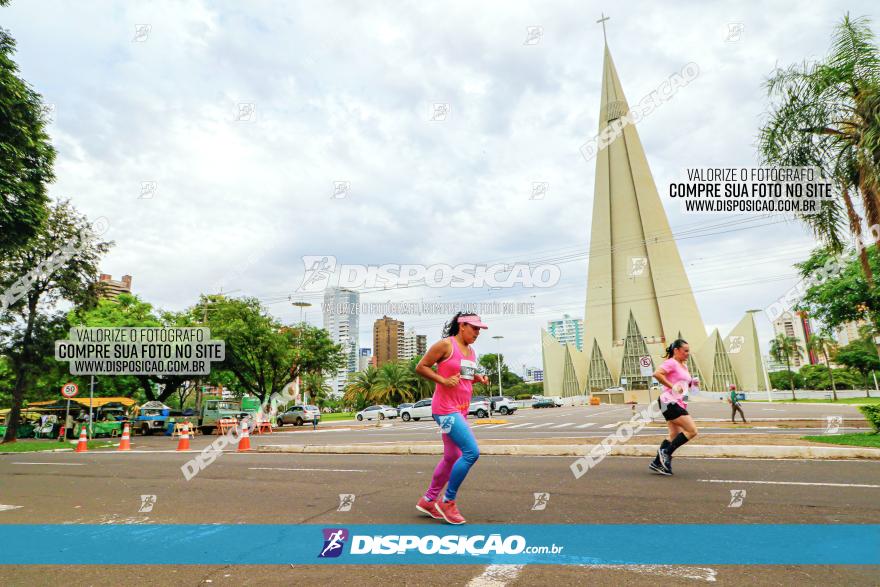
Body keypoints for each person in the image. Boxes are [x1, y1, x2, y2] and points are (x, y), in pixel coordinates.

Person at [414, 312, 490, 524]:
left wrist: (478, 378)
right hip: (445, 410)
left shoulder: (471, 352)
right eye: (474, 328)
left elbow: (464, 378)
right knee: (471, 452)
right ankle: (448, 501)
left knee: (451, 457)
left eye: (479, 329)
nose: (477, 333)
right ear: (462, 325)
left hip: (461, 409)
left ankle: (429, 499)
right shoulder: (445, 345)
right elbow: (421, 367)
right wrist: (443, 380)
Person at [649, 339, 699, 475]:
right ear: (676, 350)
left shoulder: (684, 365)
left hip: (676, 403)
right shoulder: (671, 362)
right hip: (668, 402)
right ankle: (666, 453)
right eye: (685, 351)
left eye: (689, 351)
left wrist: (692, 384)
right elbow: (657, 374)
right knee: (692, 430)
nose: (688, 353)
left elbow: (683, 386)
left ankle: (657, 463)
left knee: (674, 435)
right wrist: (673, 386)